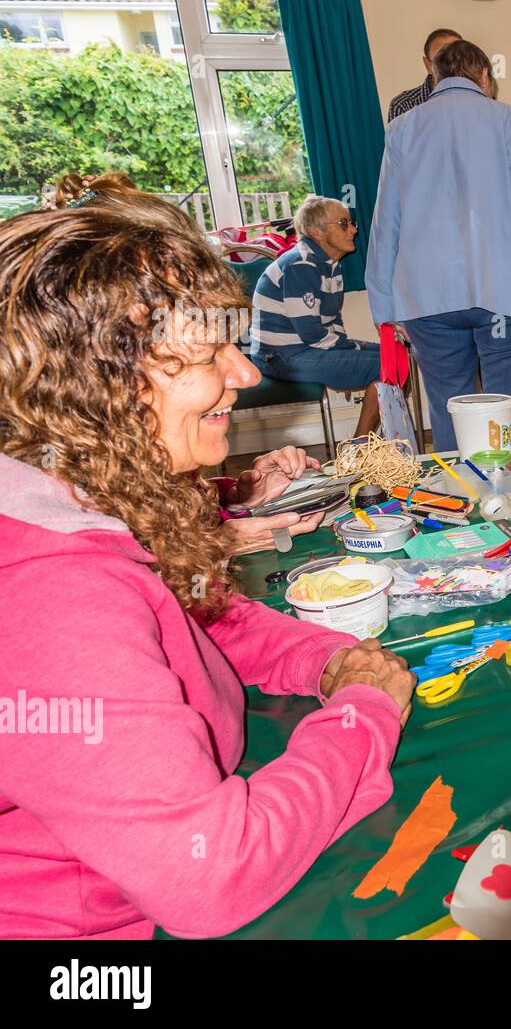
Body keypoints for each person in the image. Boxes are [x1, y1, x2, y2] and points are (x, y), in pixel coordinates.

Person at [0, 204, 415, 939]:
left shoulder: (86, 492)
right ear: (105, 386)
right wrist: (362, 713)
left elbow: (201, 612)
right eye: (208, 355)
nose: (246, 372)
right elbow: (211, 874)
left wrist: (325, 661)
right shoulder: (53, 595)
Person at [48, 172, 331, 554]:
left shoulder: (114, 459)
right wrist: (210, 546)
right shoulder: (65, 545)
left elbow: (150, 512)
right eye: (207, 350)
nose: (248, 374)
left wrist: (235, 498)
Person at [367, 39, 511, 451]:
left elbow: (386, 223)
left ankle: (458, 500)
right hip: (503, 298)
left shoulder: (401, 129)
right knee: (508, 407)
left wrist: (386, 308)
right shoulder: (508, 120)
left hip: (426, 302)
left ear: (435, 76)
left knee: (449, 408)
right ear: (484, 76)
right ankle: (510, 499)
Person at [250, 195, 383, 439]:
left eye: (351, 222)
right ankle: (359, 449)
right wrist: (351, 350)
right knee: (384, 365)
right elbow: (312, 332)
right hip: (279, 357)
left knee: (392, 354)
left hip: (303, 349)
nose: (353, 229)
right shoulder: (301, 265)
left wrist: (349, 351)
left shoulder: (330, 265)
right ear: (317, 232)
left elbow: (333, 321)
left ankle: (369, 444)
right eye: (344, 223)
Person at [388, 26, 462, 123]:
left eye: (457, 58)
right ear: (427, 64)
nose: (451, 65)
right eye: (441, 60)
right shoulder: (404, 105)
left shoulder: (479, 100)